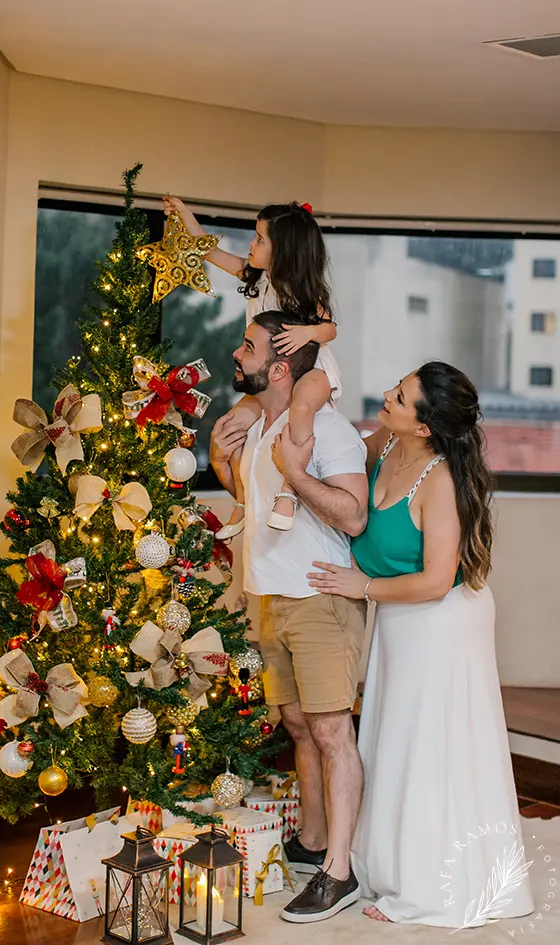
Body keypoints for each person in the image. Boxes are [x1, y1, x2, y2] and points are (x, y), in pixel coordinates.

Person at [307, 362, 532, 927]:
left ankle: (431, 887)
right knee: (396, 743)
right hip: (402, 621)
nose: (386, 395)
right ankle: (389, 863)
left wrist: (364, 586)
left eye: (401, 396)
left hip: (441, 623)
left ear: (426, 427)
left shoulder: (440, 481)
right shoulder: (385, 441)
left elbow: (437, 579)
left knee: (431, 751)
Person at [210, 310, 369, 924]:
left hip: (319, 599)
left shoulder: (328, 433)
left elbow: (351, 516)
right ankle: (312, 841)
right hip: (271, 599)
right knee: (299, 726)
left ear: (279, 367)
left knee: (332, 733)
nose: (236, 354)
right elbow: (255, 504)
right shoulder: (260, 429)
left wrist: (296, 472)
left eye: (247, 348)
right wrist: (227, 465)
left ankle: (340, 872)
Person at [166, 196, 341, 533]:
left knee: (302, 408)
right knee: (231, 427)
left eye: (260, 239)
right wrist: (185, 215)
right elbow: (208, 250)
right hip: (270, 380)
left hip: (311, 372)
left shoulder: (300, 291)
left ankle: (290, 489)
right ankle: (242, 502)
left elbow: (329, 328)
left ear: (284, 250)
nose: (251, 244)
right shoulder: (257, 279)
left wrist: (307, 332)